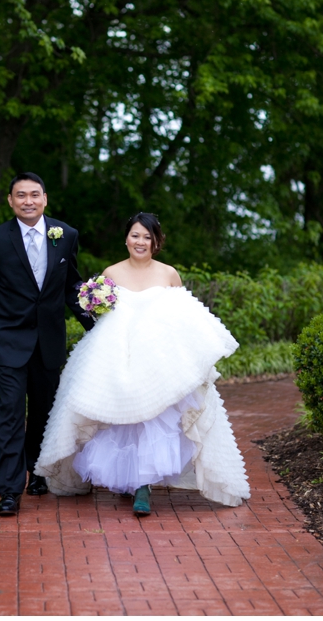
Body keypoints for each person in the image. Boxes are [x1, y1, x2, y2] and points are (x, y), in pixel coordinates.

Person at [34, 212, 251, 516]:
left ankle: (142, 487)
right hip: (117, 357)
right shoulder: (110, 273)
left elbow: (183, 320)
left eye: (147, 237)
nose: (140, 242)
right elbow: (100, 317)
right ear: (126, 238)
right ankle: (129, 479)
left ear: (156, 241)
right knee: (117, 419)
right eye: (135, 235)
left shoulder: (168, 274)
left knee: (152, 421)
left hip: (157, 361)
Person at [0, 172, 93, 516]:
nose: (28, 201)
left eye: (35, 194)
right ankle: (8, 489)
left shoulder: (65, 235)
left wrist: (94, 325)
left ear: (45, 198)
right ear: (10, 200)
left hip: (48, 341)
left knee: (43, 412)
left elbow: (70, 286)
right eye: (21, 195)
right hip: (9, 340)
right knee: (10, 412)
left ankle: (37, 473)